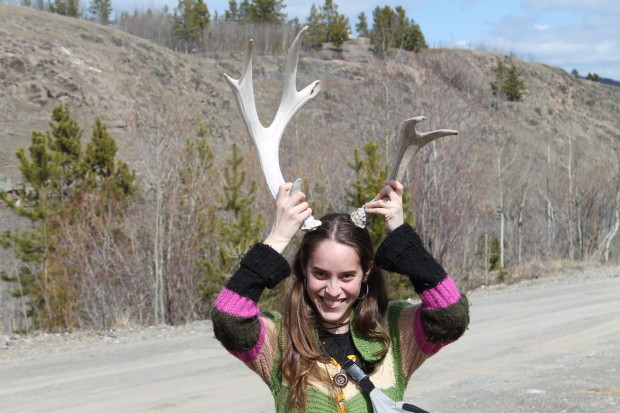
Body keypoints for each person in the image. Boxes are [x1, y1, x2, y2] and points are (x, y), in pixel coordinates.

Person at [211, 180, 470, 412]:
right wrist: (278, 238)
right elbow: (229, 319)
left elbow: (451, 315)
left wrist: (401, 237)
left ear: (366, 272)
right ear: (303, 268)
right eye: (321, 274)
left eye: (347, 276)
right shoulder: (280, 338)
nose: (333, 291)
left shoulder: (393, 329)